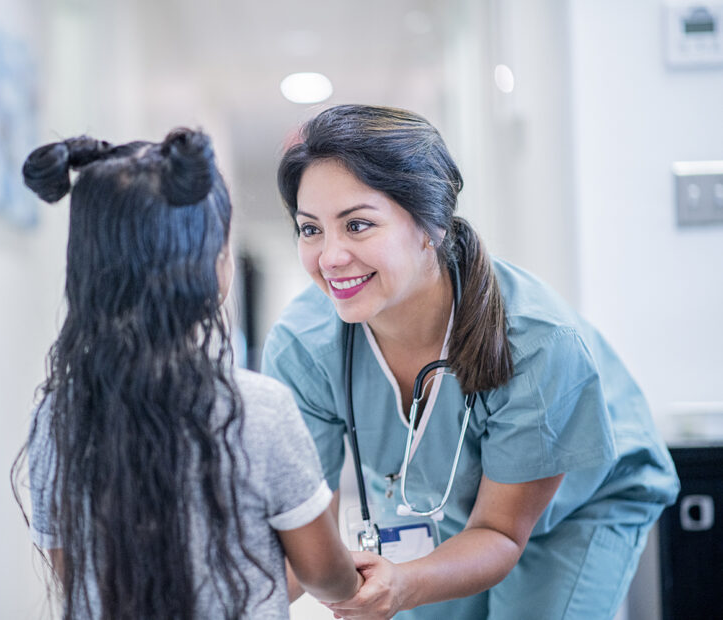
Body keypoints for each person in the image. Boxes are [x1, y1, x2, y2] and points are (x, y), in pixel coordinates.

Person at [261, 105, 679, 619]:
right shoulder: (305, 347)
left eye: (358, 225)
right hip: (442, 508)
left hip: (578, 510)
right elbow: (305, 524)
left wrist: (404, 584)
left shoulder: (536, 342)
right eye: (310, 230)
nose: (330, 257)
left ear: (429, 225)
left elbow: (500, 533)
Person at [11, 128, 363, 619]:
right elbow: (321, 571)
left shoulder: (57, 415)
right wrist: (354, 575)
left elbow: (71, 572)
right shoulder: (257, 409)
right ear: (215, 264)